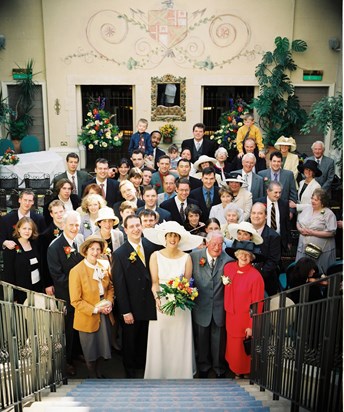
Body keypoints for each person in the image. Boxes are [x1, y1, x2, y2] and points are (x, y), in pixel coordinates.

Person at [143, 221, 203, 378]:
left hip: (180, 306)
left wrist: (181, 296)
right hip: (161, 304)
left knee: (179, 340)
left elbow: (187, 283)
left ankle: (181, 373)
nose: (172, 239)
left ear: (179, 239)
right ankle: (158, 373)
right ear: (165, 238)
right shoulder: (155, 256)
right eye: (170, 235)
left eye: (175, 236)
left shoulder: (186, 258)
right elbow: (155, 283)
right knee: (160, 339)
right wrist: (157, 299)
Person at [111, 215, 158, 378]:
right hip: (131, 305)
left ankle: (144, 368)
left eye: (138, 225)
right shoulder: (120, 253)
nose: (136, 229)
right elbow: (119, 285)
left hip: (149, 303)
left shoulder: (151, 246)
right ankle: (129, 372)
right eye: (131, 226)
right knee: (130, 341)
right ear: (125, 230)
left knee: (145, 340)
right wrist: (125, 311)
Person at [69, 236, 115, 378]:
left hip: (104, 313)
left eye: (98, 249)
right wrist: (96, 309)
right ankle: (92, 376)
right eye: (92, 249)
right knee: (90, 351)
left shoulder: (104, 265)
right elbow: (75, 300)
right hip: (87, 315)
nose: (95, 252)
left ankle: (99, 373)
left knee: (103, 348)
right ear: (86, 251)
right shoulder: (76, 271)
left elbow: (110, 288)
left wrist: (109, 302)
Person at [47, 211, 84, 376]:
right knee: (68, 328)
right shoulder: (54, 247)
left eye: (77, 225)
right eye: (71, 225)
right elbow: (57, 276)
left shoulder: (79, 241)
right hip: (66, 294)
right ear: (63, 225)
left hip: (81, 294)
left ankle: (76, 354)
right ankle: (67, 361)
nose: (75, 228)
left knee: (79, 325)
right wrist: (77, 285)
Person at [191, 231, 232, 378]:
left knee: (219, 342)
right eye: (214, 244)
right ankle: (203, 367)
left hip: (220, 308)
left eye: (220, 244)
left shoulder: (228, 260)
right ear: (207, 242)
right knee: (201, 340)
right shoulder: (194, 257)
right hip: (201, 306)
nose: (217, 247)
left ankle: (219, 368)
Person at [223, 240, 264, 377]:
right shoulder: (228, 268)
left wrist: (251, 325)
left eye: (248, 255)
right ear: (236, 254)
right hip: (230, 316)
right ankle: (235, 371)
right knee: (233, 348)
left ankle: (244, 373)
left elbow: (258, 303)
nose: (244, 257)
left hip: (244, 319)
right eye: (241, 253)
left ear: (252, 258)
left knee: (243, 350)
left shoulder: (256, 276)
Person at [296, 188, 337, 273]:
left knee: (319, 273)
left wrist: (312, 232)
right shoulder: (307, 209)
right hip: (303, 248)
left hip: (320, 252)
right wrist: (300, 229)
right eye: (312, 198)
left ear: (323, 201)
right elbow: (298, 222)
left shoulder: (328, 214)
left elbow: (332, 232)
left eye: (316, 200)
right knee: (302, 272)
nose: (313, 201)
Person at [3, 217, 43, 303]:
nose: (27, 231)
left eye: (30, 229)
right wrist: (13, 296)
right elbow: (9, 274)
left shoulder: (34, 244)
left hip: (37, 288)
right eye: (24, 228)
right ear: (18, 229)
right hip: (21, 291)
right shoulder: (11, 247)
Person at [250, 203, 281, 296]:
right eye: (254, 213)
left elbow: (273, 261)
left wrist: (255, 276)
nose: (256, 216)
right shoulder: (244, 233)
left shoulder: (273, 236)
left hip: (265, 281)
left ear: (266, 216)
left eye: (260, 213)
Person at [256, 181, 292, 254]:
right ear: (268, 191)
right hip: (262, 239)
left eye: (280, 192)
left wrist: (289, 241)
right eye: (275, 192)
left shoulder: (284, 204)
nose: (278, 195)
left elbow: (287, 223)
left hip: (279, 240)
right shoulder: (258, 203)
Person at [39, 200, 65, 296]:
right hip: (55, 280)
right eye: (56, 212)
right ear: (51, 214)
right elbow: (43, 262)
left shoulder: (71, 229)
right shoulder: (46, 235)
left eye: (61, 211)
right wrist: (48, 284)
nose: (59, 215)